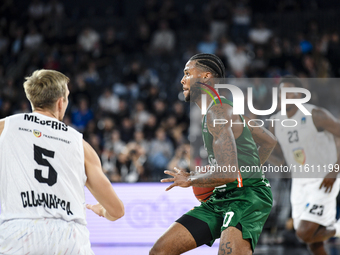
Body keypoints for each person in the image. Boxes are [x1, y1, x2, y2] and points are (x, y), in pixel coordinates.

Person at [150, 53, 277, 255]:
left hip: (246, 198)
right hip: (221, 197)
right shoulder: (222, 109)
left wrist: (191, 179)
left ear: (206, 76)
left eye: (187, 73)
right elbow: (269, 139)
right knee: (160, 251)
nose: (182, 79)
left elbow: (228, 173)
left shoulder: (217, 112)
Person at [0, 69, 124, 254]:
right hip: (70, 237)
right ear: (60, 102)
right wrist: (104, 212)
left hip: (19, 233)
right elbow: (117, 210)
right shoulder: (82, 145)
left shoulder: (6, 127)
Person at [269, 76, 340, 255]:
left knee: (304, 232)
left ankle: (338, 229)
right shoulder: (274, 122)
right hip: (299, 183)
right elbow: (277, 156)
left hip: (324, 178)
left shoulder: (315, 114)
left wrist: (335, 171)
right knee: (313, 242)